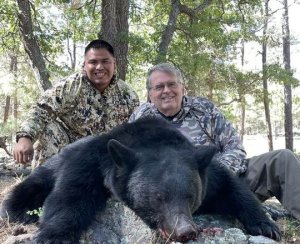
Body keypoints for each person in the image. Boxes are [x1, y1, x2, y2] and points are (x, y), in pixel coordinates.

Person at [129, 62, 300, 220]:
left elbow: (235, 148)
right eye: (159, 87)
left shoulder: (204, 109)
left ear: (182, 88)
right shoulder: (140, 119)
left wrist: (217, 176)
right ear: (150, 94)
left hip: (227, 187)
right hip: (175, 198)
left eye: (172, 84)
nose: (166, 90)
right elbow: (133, 169)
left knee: (282, 159)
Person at [14, 39, 139, 168]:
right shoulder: (70, 87)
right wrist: (25, 137)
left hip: (107, 157)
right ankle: (43, 184)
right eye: (93, 62)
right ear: (85, 64)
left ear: (115, 63)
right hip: (70, 153)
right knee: (48, 130)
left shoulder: (128, 95)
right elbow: (40, 110)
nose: (99, 67)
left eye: (105, 61)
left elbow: (136, 131)